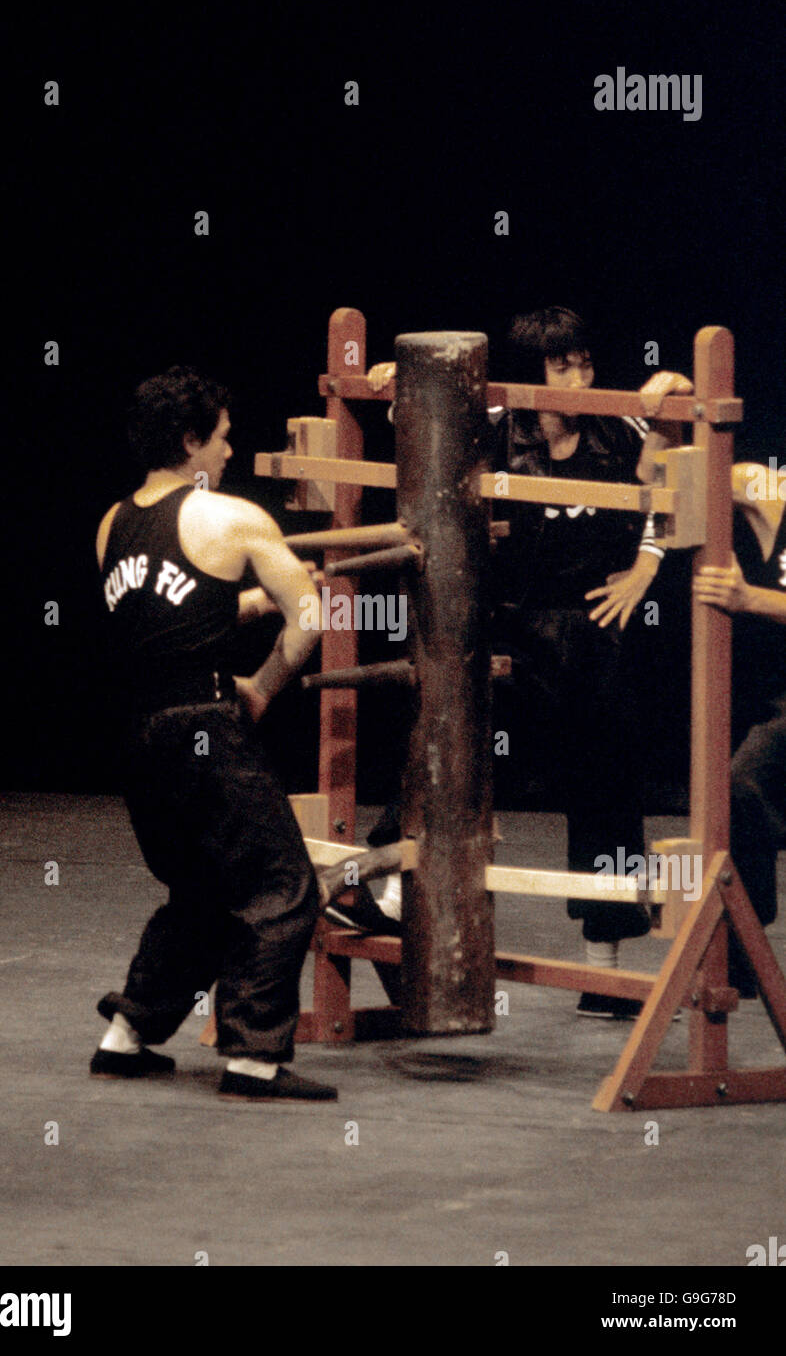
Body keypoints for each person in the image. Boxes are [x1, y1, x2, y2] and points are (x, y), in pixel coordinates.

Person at [357, 308, 691, 1020]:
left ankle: (605, 972)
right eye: (559, 366)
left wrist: (644, 567)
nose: (575, 378)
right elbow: (426, 430)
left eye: (584, 364)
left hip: (593, 626)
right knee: (457, 737)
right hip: (513, 624)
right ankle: (381, 880)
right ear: (533, 373)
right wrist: (396, 388)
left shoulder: (618, 423)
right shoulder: (498, 421)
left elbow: (671, 472)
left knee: (608, 790)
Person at [91, 365, 337, 1100]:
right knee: (283, 885)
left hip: (137, 738)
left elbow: (170, 621)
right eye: (223, 438)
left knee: (201, 890)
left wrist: (252, 603)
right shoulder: (231, 516)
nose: (230, 452)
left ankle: (127, 1035)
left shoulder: (113, 524)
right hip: (205, 730)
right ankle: (254, 1058)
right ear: (192, 440)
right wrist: (261, 687)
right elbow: (314, 621)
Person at [693, 460, 786, 997]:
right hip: (771, 693)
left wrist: (747, 597)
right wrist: (670, 412)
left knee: (743, 783)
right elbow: (663, 482)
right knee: (733, 791)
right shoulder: (765, 486)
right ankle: (746, 943)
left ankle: (746, 941)